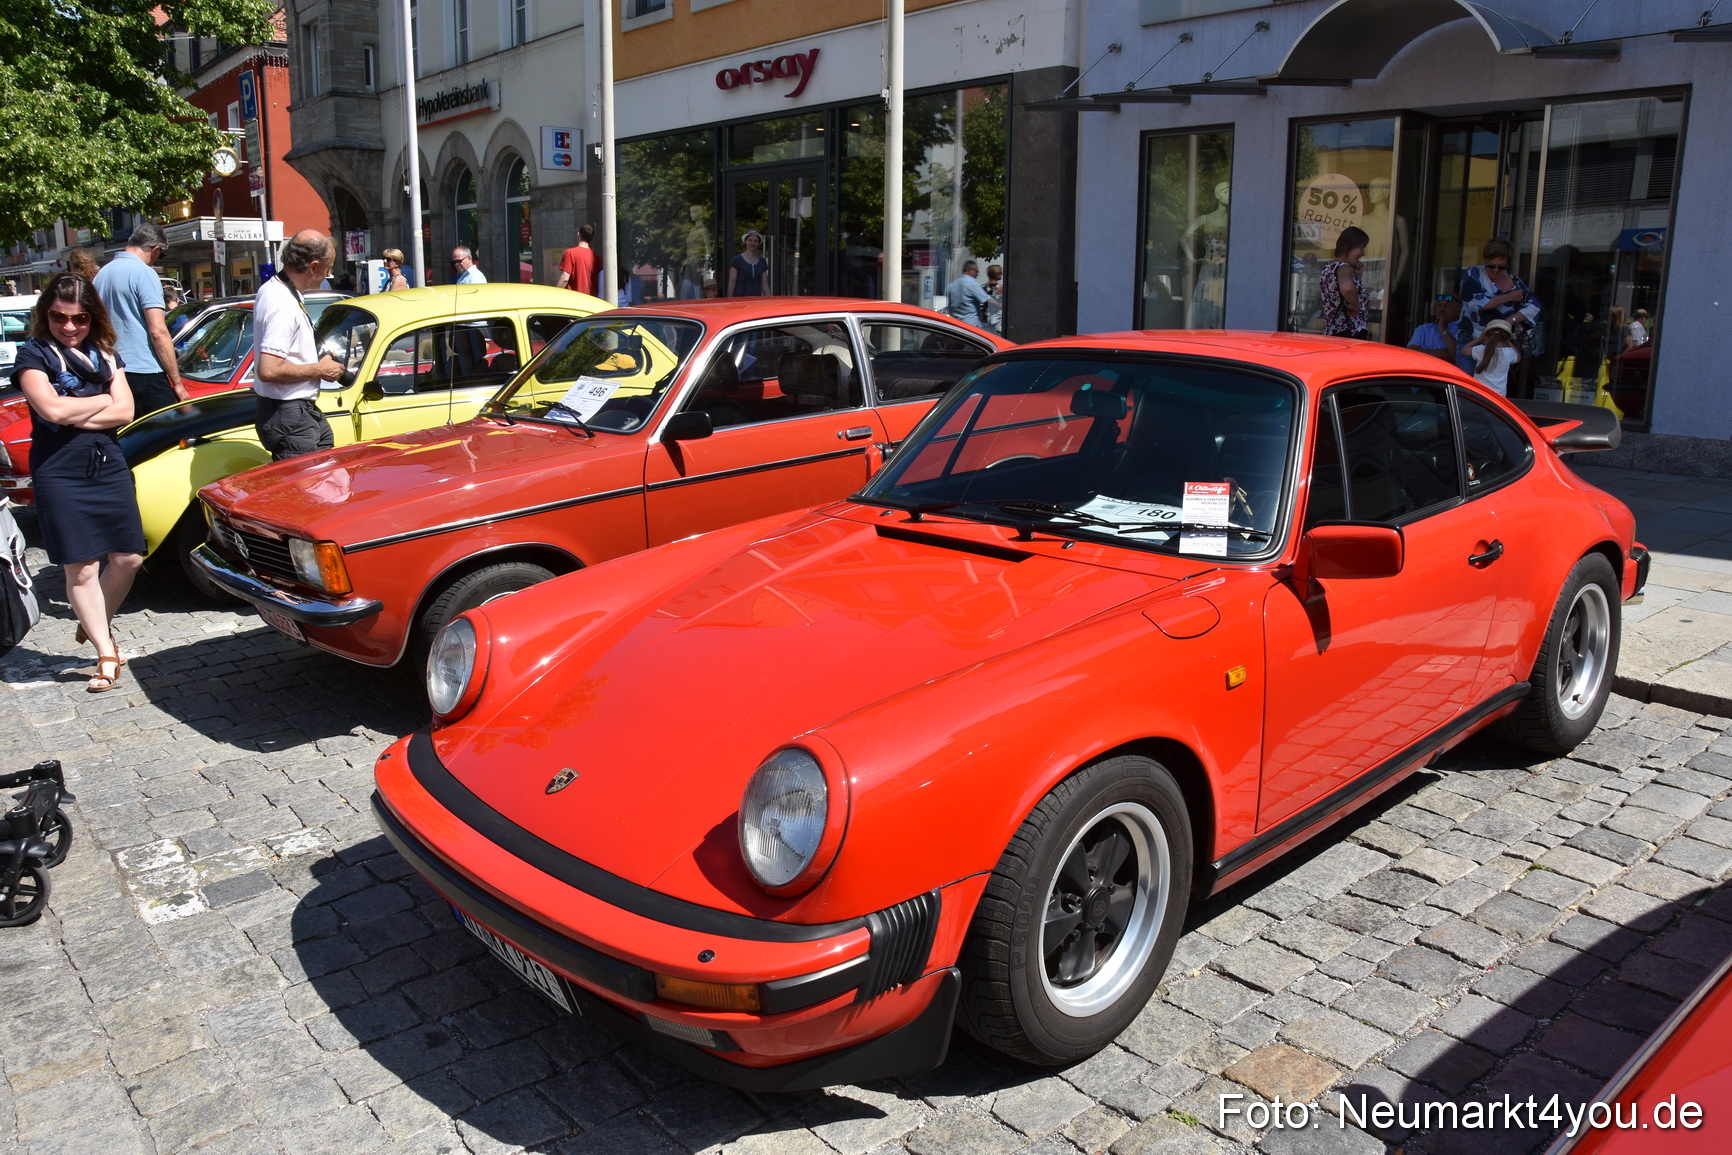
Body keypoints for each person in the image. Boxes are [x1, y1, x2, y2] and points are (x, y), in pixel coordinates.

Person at [12, 274, 145, 692]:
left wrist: (78, 409)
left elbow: (125, 411)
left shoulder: (105, 354)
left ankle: (94, 623)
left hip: (106, 464)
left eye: (79, 318)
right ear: (45, 314)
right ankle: (107, 652)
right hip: (59, 469)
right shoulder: (32, 355)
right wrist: (103, 399)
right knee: (82, 566)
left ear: (93, 318)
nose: (69, 327)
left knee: (128, 558)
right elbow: (50, 410)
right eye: (59, 317)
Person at [253, 231, 343, 461]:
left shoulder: (275, 289)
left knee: (324, 477)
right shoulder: (283, 303)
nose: (329, 274)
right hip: (289, 411)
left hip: (292, 410)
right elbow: (269, 370)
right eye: (328, 267)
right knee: (305, 490)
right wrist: (320, 370)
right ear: (313, 267)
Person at [92, 222, 187, 416]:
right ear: (155, 249)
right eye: (160, 254)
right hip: (145, 371)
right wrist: (177, 383)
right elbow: (158, 331)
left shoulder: (102, 275)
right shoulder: (144, 273)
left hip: (111, 369)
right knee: (166, 437)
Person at [1461, 237, 1539, 339]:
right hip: (1473, 340)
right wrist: (1510, 297)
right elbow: (1476, 304)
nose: (1496, 270)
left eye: (1501, 267)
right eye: (1491, 266)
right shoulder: (1474, 273)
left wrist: (1510, 321)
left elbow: (1535, 307)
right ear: (1485, 260)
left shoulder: (1515, 282)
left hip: (1502, 342)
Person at [1319, 226, 1369, 338]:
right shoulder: (1343, 267)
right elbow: (1347, 288)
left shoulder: (1329, 267)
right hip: (1350, 333)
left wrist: (1357, 278)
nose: (1363, 253)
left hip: (1333, 332)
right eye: (1361, 248)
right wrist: (1356, 307)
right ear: (1347, 246)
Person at [1462, 318, 1521, 396]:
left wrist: (1479, 338)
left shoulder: (1481, 350)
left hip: (1479, 392)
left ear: (1486, 337)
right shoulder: (1509, 353)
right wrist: (1509, 342)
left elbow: (1464, 350)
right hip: (1499, 395)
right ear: (1507, 338)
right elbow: (1518, 358)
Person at [1406, 294, 1465, 365]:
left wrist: (1442, 329)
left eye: (1447, 306)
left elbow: (1458, 358)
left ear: (1459, 311)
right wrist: (1443, 354)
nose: (1442, 309)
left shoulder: (1463, 330)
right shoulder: (1423, 329)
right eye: (1439, 305)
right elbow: (1410, 352)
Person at [944, 260, 990, 329]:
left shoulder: (952, 285)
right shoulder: (972, 283)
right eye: (976, 271)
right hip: (971, 325)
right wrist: (1001, 304)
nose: (977, 274)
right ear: (971, 271)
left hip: (956, 325)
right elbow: (986, 299)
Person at [556, 225, 599, 295]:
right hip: (592, 301)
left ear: (578, 234)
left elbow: (564, 278)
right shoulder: (596, 258)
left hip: (574, 300)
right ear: (591, 238)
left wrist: (555, 294)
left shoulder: (570, 253)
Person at [727, 230, 770, 297]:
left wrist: (769, 299)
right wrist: (729, 300)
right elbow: (732, 282)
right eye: (750, 240)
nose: (752, 243)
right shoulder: (737, 259)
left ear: (758, 243)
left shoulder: (762, 261)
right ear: (745, 241)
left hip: (756, 300)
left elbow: (764, 284)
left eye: (755, 241)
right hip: (739, 300)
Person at [983, 264, 1005, 333]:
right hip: (997, 320)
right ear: (997, 274)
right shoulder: (1000, 288)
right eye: (1000, 272)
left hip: (986, 319)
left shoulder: (983, 287)